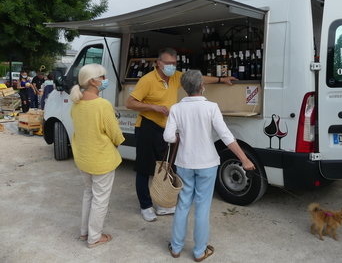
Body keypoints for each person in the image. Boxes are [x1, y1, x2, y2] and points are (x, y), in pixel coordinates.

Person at [125, 48, 236, 222]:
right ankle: (145, 206)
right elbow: (130, 103)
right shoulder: (147, 80)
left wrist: (221, 79)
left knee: (166, 168)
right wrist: (153, 107)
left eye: (174, 63)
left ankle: (163, 203)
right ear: (159, 63)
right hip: (147, 127)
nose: (171, 66)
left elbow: (198, 78)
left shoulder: (176, 76)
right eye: (168, 63)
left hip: (166, 129)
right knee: (144, 169)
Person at [163, 70, 255, 262]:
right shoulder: (211, 107)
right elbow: (226, 136)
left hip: (184, 163)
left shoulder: (176, 109)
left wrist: (178, 137)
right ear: (201, 87)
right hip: (207, 164)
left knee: (182, 205)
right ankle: (199, 252)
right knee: (202, 207)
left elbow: (168, 137)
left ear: (185, 88)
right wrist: (244, 159)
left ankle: (176, 248)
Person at [70, 64, 125, 249]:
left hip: (83, 158)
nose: (105, 80)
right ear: (92, 81)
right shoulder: (102, 105)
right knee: (100, 199)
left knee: (89, 193)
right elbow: (115, 133)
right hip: (101, 160)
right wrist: (116, 143)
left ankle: (85, 232)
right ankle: (94, 237)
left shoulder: (76, 103)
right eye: (102, 77)